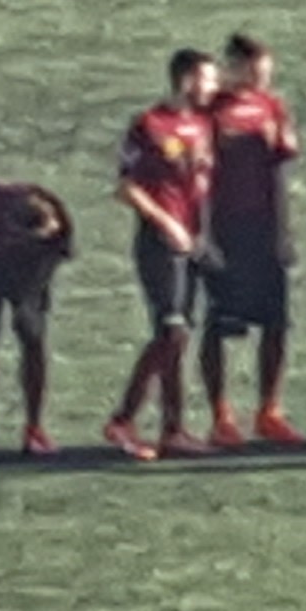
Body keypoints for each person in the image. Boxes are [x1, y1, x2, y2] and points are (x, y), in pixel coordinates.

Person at [98, 50, 221, 461]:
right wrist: (166, 222)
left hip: (193, 243)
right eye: (207, 79)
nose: (214, 86)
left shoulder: (204, 124)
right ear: (187, 80)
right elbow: (126, 187)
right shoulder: (148, 125)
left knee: (180, 335)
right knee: (171, 331)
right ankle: (123, 419)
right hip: (160, 244)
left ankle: (174, 430)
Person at [192, 35, 306, 448]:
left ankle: (268, 410)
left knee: (276, 322)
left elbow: (285, 155)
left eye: (266, 72)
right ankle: (221, 414)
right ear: (234, 67)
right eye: (254, 71)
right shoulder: (212, 110)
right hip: (224, 228)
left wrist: (284, 233)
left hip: (267, 228)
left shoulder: (272, 106)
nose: (261, 79)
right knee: (220, 324)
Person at [0, 179, 77, 457]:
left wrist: (34, 290)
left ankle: (34, 428)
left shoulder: (56, 222)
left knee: (32, 332)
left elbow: (56, 258)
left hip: (28, 272)